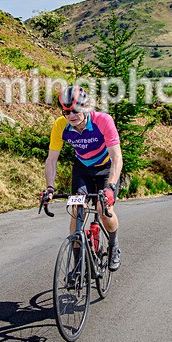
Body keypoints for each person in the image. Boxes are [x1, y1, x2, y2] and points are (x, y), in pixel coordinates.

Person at [41, 86, 123, 272]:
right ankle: (77, 264)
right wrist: (49, 187)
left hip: (105, 168)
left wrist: (110, 187)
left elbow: (117, 157)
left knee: (103, 209)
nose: (72, 115)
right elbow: (52, 159)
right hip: (82, 169)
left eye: (76, 110)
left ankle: (113, 244)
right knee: (78, 210)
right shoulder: (60, 125)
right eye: (67, 111)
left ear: (86, 106)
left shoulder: (103, 120)